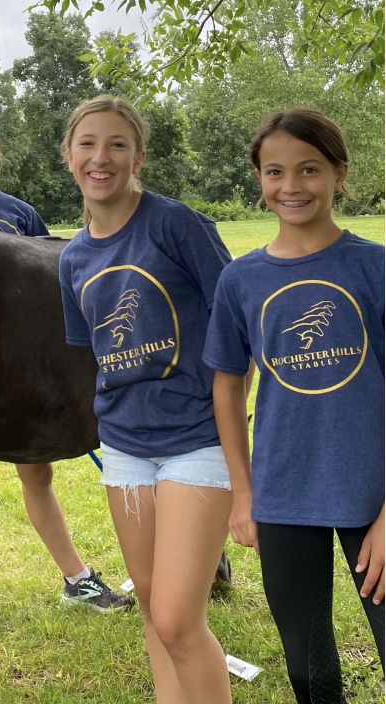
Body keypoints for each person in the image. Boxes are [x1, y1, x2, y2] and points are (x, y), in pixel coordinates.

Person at [0, 108, 133, 627]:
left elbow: (51, 285)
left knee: (38, 470)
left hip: (25, 374)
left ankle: (76, 579)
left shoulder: (20, 214)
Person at [59, 94, 235, 704]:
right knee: (152, 608)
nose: (100, 158)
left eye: (116, 144)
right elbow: (96, 355)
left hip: (196, 443)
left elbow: (235, 321)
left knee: (178, 620)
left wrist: (227, 417)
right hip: (125, 449)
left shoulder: (174, 224)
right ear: (69, 156)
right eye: (87, 144)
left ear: (138, 156)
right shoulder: (74, 257)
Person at [204, 108, 384, 704]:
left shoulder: (374, 267)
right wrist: (244, 491)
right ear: (258, 178)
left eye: (308, 169)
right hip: (283, 493)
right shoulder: (241, 279)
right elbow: (228, 386)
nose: (291, 186)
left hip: (373, 492)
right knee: (308, 667)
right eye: (274, 171)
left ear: (338, 172)